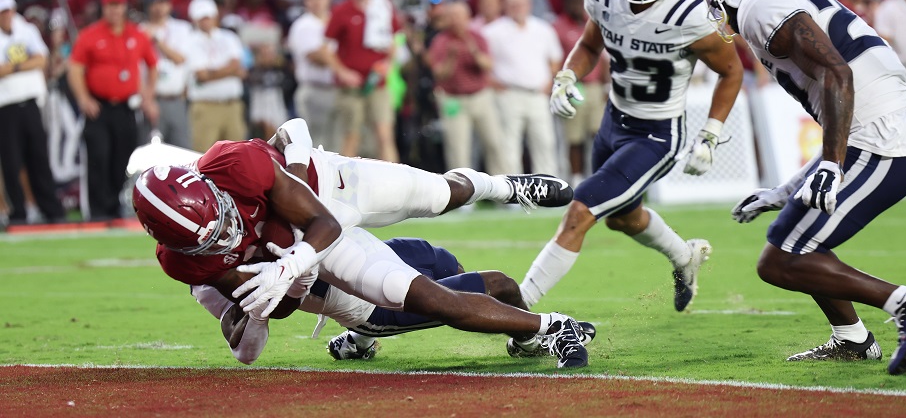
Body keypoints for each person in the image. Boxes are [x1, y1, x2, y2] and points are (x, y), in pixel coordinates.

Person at [698, 0, 906, 376]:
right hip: (878, 130)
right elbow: (844, 80)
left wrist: (831, 164)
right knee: (796, 234)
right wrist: (786, 188)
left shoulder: (760, 2)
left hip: (881, 139)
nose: (715, 3)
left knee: (782, 259)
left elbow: (839, 74)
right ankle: (852, 338)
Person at [130, 121, 589, 369]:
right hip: (319, 256)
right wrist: (291, 281)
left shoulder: (231, 164)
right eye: (206, 239)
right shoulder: (186, 265)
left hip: (330, 192)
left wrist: (293, 264)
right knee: (412, 292)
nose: (225, 234)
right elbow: (266, 317)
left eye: (221, 217)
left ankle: (503, 187)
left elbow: (321, 218)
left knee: (437, 195)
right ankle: (550, 327)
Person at [518, 0, 744, 321]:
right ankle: (684, 256)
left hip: (655, 135)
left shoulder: (692, 13)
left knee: (580, 213)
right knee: (623, 218)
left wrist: (710, 134)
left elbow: (732, 71)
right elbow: (590, 42)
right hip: (612, 122)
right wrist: (567, 74)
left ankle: (516, 306)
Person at [186, 227, 595, 364]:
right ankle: (541, 332)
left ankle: (361, 342)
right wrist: (283, 284)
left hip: (363, 252)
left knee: (440, 259)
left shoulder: (241, 207)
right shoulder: (209, 279)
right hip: (369, 302)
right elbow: (248, 345)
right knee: (500, 284)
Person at [68, 0, 159, 220]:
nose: (115, 10)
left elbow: (152, 64)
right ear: (104, 8)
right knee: (99, 156)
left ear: (124, 7)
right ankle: (98, 211)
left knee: (123, 157)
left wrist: (148, 96)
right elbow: (75, 69)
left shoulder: (136, 35)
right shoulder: (90, 35)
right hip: (98, 106)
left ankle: (115, 205)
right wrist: (84, 98)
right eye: (110, 5)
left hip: (126, 107)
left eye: (118, 5)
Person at [482, 0, 564, 177]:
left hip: (538, 93)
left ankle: (547, 188)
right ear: (506, 6)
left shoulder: (542, 29)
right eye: (513, 4)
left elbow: (555, 58)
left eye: (521, 3)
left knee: (545, 141)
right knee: (509, 143)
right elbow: (484, 63)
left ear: (528, 4)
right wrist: (492, 82)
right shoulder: (493, 31)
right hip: (508, 93)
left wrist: (549, 81)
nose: (518, 7)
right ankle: (513, 192)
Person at [0, 0, 65, 226]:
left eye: (8, 10)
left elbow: (42, 60)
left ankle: (51, 210)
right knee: (11, 161)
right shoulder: (25, 33)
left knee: (39, 158)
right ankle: (18, 213)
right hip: (5, 106)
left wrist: (12, 67)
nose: (6, 15)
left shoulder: (26, 29)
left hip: (31, 103)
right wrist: (25, 64)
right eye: (2, 11)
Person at [324, 0, 400, 162]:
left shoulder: (383, 8)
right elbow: (328, 48)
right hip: (351, 86)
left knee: (384, 135)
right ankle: (344, 186)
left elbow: (394, 41)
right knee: (351, 135)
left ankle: (394, 183)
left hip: (377, 82)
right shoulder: (342, 11)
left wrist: (388, 64)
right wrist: (342, 72)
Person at [425, 0, 512, 176]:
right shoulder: (441, 41)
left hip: (480, 96)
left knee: (495, 142)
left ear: (468, 18)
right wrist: (450, 58)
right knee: (457, 146)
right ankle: (462, 191)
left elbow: (488, 66)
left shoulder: (477, 37)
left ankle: (504, 186)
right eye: (452, 16)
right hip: (452, 98)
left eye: (459, 16)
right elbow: (438, 74)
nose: (456, 20)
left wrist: (474, 53)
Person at [552, 0, 610, 187]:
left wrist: (606, 86)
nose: (578, 7)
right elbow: (556, 59)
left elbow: (603, 58)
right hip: (573, 87)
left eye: (581, 3)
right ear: (567, 5)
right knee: (574, 137)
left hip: (594, 87)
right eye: (574, 3)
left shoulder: (592, 24)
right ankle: (576, 179)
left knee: (598, 135)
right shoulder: (558, 27)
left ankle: (597, 175)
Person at [185, 0, 248, 153]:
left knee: (238, 155)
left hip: (232, 104)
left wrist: (214, 71)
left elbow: (239, 67)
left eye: (208, 17)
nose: (206, 21)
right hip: (206, 106)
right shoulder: (191, 40)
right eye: (202, 18)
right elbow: (202, 75)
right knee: (203, 155)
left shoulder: (229, 37)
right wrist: (230, 71)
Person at [287, 0, 337, 151]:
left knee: (338, 143)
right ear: (306, 1)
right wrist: (346, 59)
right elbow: (317, 57)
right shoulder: (303, 25)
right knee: (317, 145)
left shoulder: (335, 20)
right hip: (314, 89)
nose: (318, 1)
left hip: (338, 89)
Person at [141, 0, 192, 148]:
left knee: (182, 152)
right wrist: (146, 100)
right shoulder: (140, 29)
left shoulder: (181, 28)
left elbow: (180, 58)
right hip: (151, 100)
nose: (159, 7)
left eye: (163, 2)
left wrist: (156, 40)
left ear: (169, 4)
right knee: (150, 154)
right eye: (154, 3)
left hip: (175, 99)